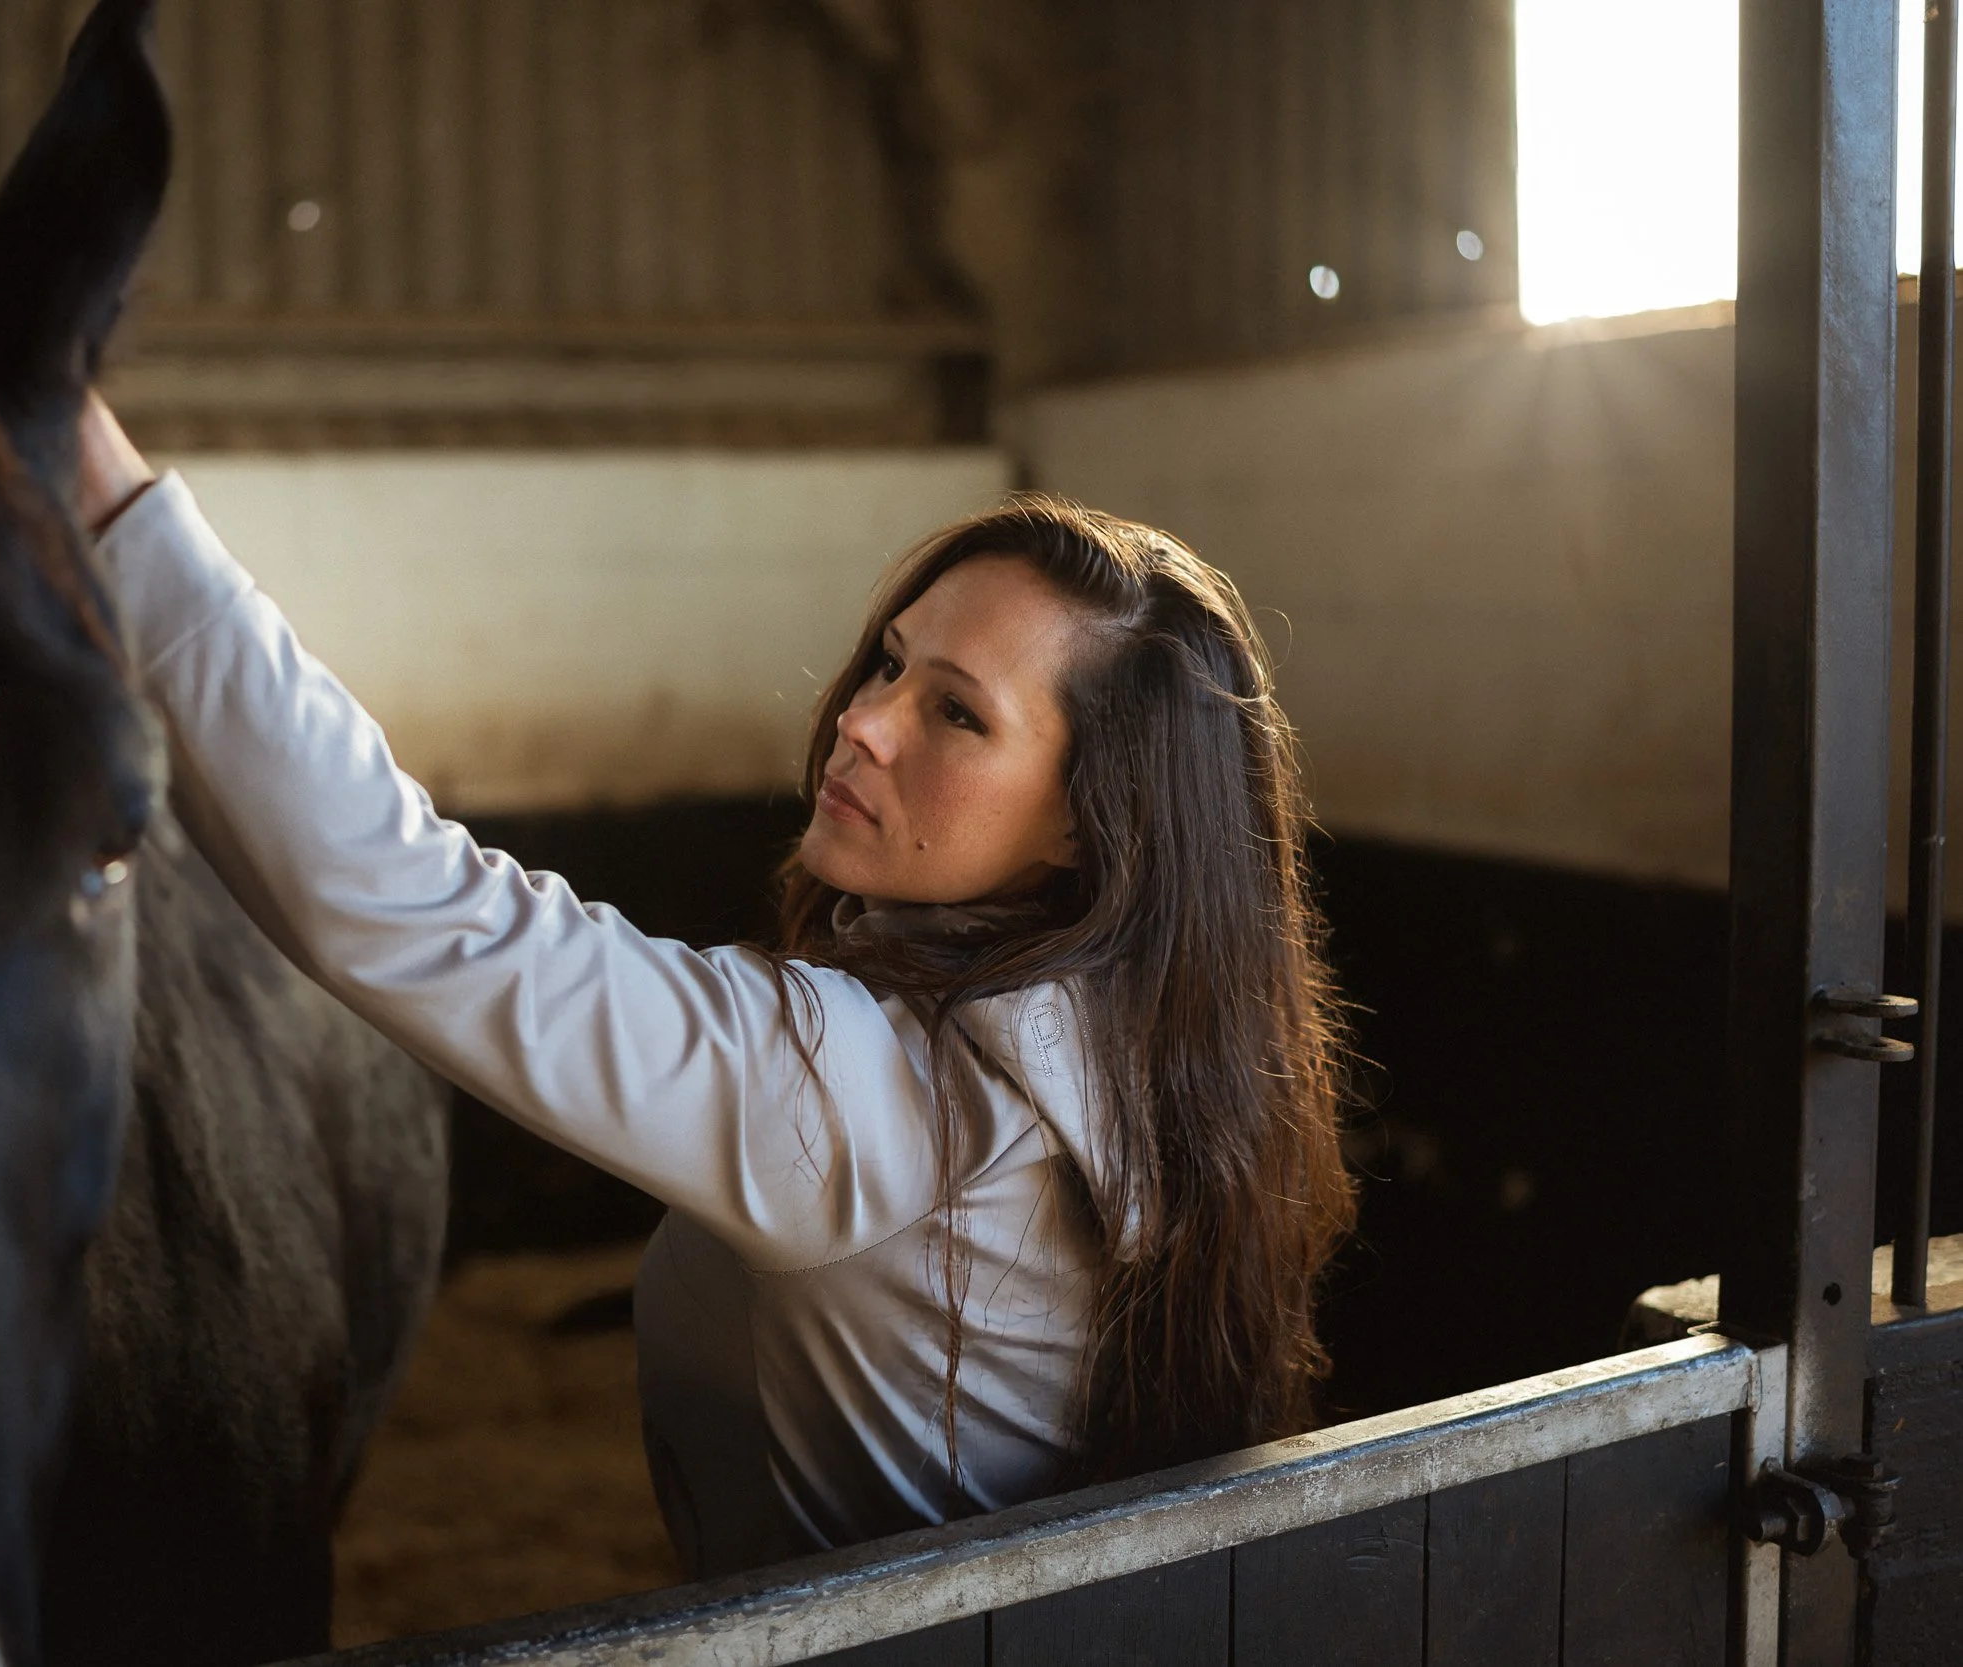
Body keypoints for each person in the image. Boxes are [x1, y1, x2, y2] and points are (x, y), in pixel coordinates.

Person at [76, 399, 1357, 1579]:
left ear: (1093, 823)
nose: (864, 718)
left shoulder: (886, 1106)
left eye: (958, 714)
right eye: (892, 663)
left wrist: (106, 491)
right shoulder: (1152, 1052)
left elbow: (405, 902)